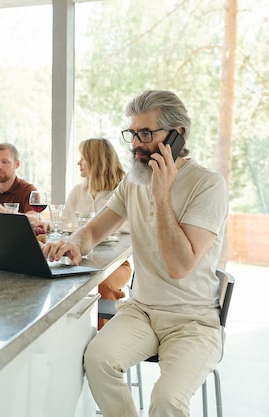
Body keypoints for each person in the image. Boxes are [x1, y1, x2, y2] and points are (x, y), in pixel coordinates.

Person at [43, 90, 228, 417]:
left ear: (177, 135)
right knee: (98, 360)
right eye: (133, 134)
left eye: (146, 134)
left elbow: (180, 265)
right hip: (142, 310)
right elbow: (93, 231)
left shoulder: (207, 185)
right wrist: (74, 242)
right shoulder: (132, 182)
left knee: (167, 400)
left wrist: (161, 194)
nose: (136, 144)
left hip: (193, 320)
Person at [61, 138, 132, 329]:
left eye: (83, 158)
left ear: (96, 161)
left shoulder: (121, 192)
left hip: (116, 263)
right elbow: (63, 224)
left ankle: (107, 336)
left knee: (104, 287)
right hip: (81, 258)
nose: (78, 163)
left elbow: (130, 230)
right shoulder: (78, 191)